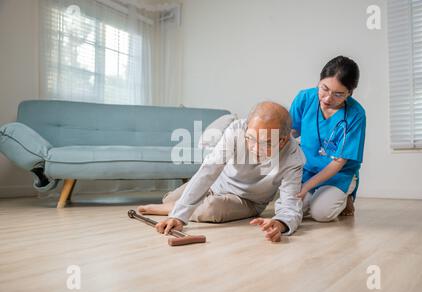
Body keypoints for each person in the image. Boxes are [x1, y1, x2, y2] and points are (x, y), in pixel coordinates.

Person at [138, 101, 305, 242]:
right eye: (250, 139)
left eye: (264, 143)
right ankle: (173, 205)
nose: (254, 147)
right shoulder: (237, 130)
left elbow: (290, 204)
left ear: (282, 141)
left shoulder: (293, 156)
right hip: (217, 184)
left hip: (247, 200)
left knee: (211, 209)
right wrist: (179, 216)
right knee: (169, 198)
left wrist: (281, 224)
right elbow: (208, 170)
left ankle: (172, 208)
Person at [290, 56, 366, 222]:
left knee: (321, 214)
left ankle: (347, 194)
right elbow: (290, 132)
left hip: (339, 172)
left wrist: (305, 188)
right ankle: (318, 196)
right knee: (292, 207)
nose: (327, 99)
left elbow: (338, 162)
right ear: (319, 81)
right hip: (308, 169)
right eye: (324, 88)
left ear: (350, 93)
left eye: (338, 94)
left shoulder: (356, 114)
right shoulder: (305, 98)